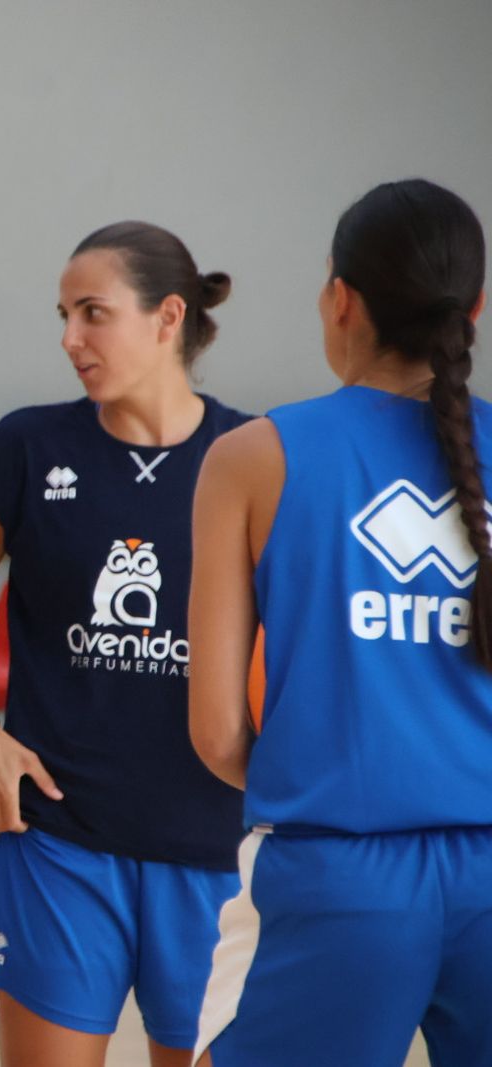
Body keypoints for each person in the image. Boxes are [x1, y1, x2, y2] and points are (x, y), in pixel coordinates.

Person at [0, 222, 251, 1066]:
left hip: (215, 853)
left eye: (93, 313)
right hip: (58, 840)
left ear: (168, 317)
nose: (70, 338)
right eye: (63, 314)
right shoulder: (27, 446)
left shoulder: (252, 457)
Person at [190, 179, 492, 1066]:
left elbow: (214, 732)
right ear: (473, 308)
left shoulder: (252, 457)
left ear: (339, 299)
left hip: (339, 873)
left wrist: (319, 773)